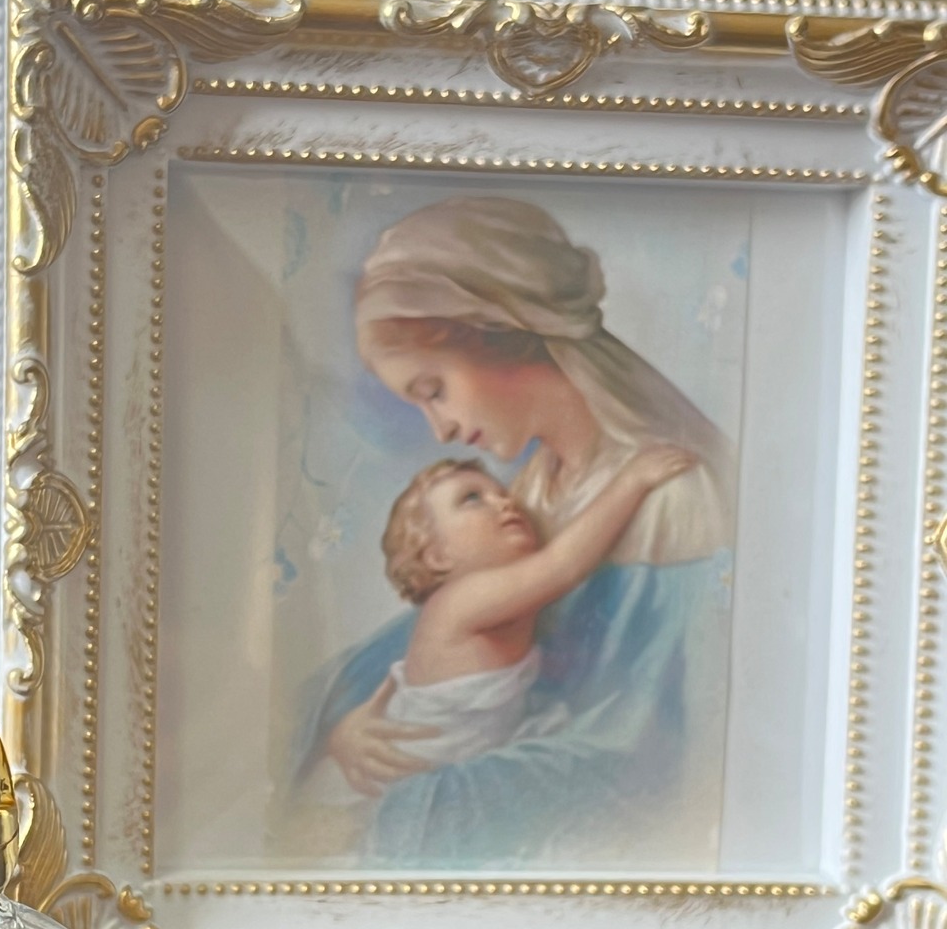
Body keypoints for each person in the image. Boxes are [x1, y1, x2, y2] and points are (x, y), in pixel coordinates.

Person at [287, 194, 736, 869]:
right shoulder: (532, 491)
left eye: (433, 389)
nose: (440, 428)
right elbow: (418, 643)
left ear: (498, 330)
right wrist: (344, 727)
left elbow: (648, 746)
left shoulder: (676, 493)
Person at [367, 448, 695, 782]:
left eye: (502, 493)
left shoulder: (500, 595)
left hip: (470, 752)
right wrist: (632, 480)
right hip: (419, 771)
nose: (505, 502)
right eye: (472, 499)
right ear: (437, 556)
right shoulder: (459, 600)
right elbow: (564, 565)